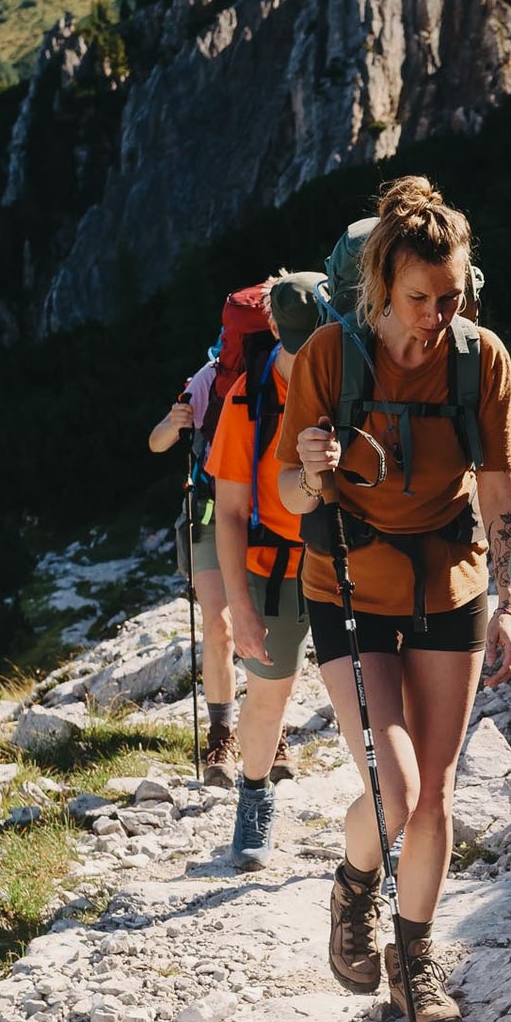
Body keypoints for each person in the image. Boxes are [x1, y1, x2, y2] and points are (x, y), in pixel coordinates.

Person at [277, 176, 511, 1022]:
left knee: (435, 796)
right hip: (348, 586)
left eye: (452, 295)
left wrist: (510, 602)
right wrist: (311, 466)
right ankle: (355, 885)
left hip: (450, 583)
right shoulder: (328, 359)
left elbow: (500, 484)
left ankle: (412, 963)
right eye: (421, 298)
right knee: (395, 783)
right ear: (383, 286)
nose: (436, 313)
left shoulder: (479, 357)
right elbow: (284, 488)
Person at [208, 274, 321, 868]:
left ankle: (389, 814)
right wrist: (239, 607)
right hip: (272, 567)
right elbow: (228, 512)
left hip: (345, 559)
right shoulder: (245, 397)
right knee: (269, 696)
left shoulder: (345, 381)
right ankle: (254, 795)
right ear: (272, 327)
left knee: (373, 695)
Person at [148, 357, 239, 784]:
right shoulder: (213, 376)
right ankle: (221, 733)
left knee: (260, 629)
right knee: (219, 626)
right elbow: (157, 442)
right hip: (209, 518)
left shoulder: (289, 369)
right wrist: (175, 421)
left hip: (265, 522)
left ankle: (265, 728)